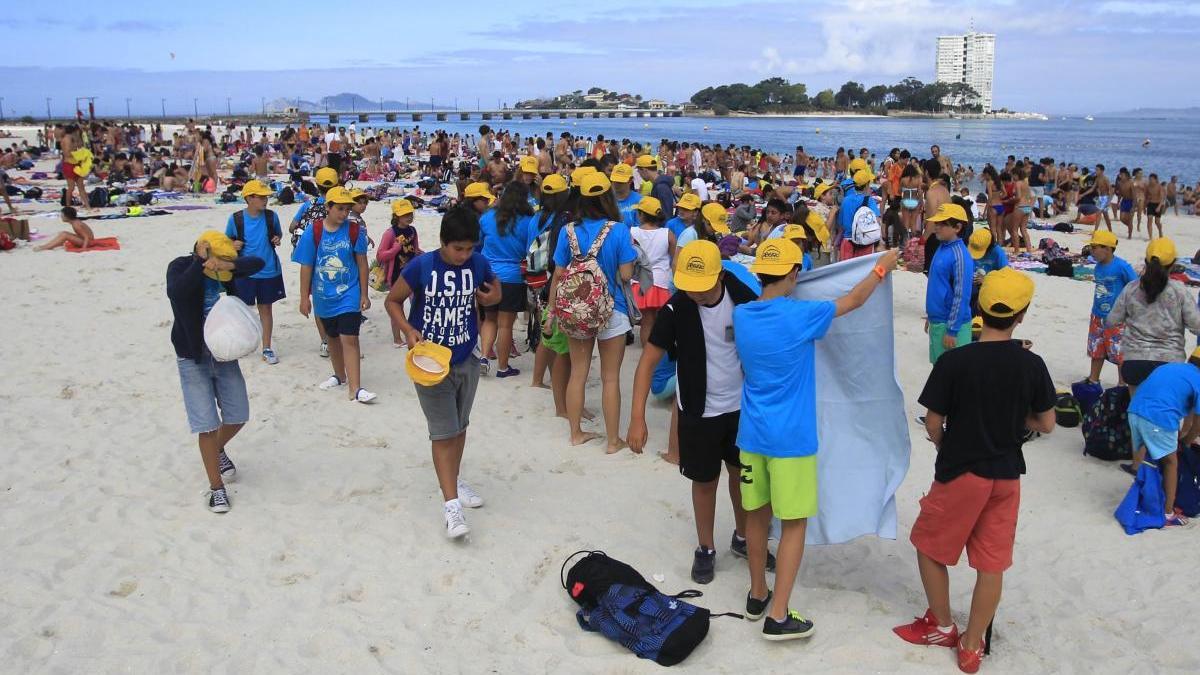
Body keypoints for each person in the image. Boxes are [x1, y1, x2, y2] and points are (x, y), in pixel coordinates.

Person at [735, 239, 899, 640]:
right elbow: (853, 301)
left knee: (756, 517)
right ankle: (777, 615)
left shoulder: (743, 315)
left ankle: (758, 593)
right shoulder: (800, 316)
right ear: (793, 275)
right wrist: (881, 268)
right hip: (790, 440)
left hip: (751, 435)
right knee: (793, 524)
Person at [894, 268, 1056, 674]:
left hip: (961, 471)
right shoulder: (1030, 363)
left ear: (979, 307)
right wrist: (1018, 422)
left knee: (929, 546)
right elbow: (1047, 422)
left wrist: (944, 442)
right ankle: (971, 646)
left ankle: (943, 624)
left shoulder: (955, 361)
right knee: (991, 563)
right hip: (1006, 475)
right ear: (1022, 314)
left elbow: (933, 421)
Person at [627, 240, 770, 585]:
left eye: (703, 289)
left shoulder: (744, 299)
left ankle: (742, 536)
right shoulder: (677, 308)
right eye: (688, 289)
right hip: (697, 411)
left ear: (720, 275)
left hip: (741, 409)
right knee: (704, 482)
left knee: (741, 476)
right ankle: (705, 547)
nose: (696, 295)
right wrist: (637, 417)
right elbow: (647, 361)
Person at [385, 206, 501, 539]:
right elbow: (393, 301)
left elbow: (496, 290)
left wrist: (494, 294)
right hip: (430, 364)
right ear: (443, 242)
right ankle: (451, 505)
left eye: (470, 248)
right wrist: (408, 330)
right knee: (443, 433)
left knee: (460, 426)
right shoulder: (422, 266)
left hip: (466, 358)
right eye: (458, 248)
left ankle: (454, 477)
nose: (465, 255)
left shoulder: (477, 263)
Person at [166, 231, 265, 513]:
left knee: (238, 414)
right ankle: (216, 488)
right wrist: (200, 263)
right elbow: (177, 291)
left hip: (224, 355)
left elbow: (256, 263)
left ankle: (217, 450)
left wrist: (228, 266)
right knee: (206, 425)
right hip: (192, 356)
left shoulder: (226, 271)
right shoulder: (179, 266)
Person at [544, 172, 637, 452]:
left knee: (579, 372)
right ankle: (612, 441)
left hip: (576, 309)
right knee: (610, 377)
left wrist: (551, 312)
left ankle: (576, 433)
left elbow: (559, 274)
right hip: (613, 308)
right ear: (608, 197)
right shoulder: (619, 230)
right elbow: (625, 273)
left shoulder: (568, 230)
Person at [292, 186, 376, 403]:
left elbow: (362, 263)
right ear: (327, 207)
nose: (344, 213)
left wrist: (364, 294)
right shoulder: (314, 230)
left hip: (349, 292)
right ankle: (339, 376)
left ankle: (355, 389)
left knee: (350, 338)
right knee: (332, 338)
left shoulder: (355, 230)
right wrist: (304, 298)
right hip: (323, 295)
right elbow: (306, 265)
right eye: (339, 209)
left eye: (347, 209)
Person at [1106, 238, 1200, 398]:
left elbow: (1111, 321)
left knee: (1136, 411)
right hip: (1170, 364)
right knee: (1165, 414)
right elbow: (1196, 326)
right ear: (1173, 265)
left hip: (1134, 362)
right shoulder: (1179, 291)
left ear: (1146, 261)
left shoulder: (1131, 289)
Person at [1125, 354, 1200, 527]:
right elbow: (1198, 425)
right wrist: (1186, 441)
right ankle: (1167, 513)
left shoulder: (1173, 368)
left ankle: (1147, 496)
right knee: (1170, 463)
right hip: (1157, 418)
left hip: (1134, 411)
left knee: (1150, 458)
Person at [478, 181, 536, 377]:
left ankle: (484, 356)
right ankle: (503, 367)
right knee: (505, 325)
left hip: (487, 274)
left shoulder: (486, 218)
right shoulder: (529, 221)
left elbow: (478, 244)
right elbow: (531, 250)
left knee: (489, 319)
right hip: (512, 276)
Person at [225, 180, 285, 364]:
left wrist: (277, 238)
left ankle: (266, 347)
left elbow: (278, 235)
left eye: (266, 197)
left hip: (268, 270)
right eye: (261, 197)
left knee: (266, 309)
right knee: (242, 309)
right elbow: (226, 242)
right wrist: (232, 244)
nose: (265, 200)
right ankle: (241, 343)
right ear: (249, 198)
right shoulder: (236, 219)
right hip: (244, 272)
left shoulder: (271, 217)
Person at [1080, 230, 1137, 385]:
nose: (1092, 251)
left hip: (1117, 318)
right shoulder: (1097, 266)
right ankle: (1093, 378)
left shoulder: (1121, 266)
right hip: (1097, 315)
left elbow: (1136, 286)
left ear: (1108, 248)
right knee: (1096, 349)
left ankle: (1122, 384)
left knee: (1119, 353)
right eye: (1091, 247)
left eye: (1095, 247)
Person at [926, 203, 974, 364]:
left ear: (957, 227)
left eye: (942, 224)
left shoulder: (960, 255)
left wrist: (952, 331)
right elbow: (938, 286)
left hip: (951, 325)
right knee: (938, 370)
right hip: (938, 321)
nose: (936, 227)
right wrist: (931, 317)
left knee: (952, 376)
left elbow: (961, 295)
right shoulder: (943, 247)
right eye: (936, 223)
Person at [629, 196, 675, 346]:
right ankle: (657, 351)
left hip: (640, 281)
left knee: (647, 322)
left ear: (642, 214)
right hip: (661, 282)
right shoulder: (668, 233)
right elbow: (674, 259)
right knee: (657, 320)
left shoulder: (632, 232)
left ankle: (647, 352)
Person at [377, 199, 422, 346]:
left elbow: (415, 250)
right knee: (397, 306)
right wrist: (396, 248)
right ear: (396, 216)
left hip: (412, 273)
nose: (408, 217)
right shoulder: (390, 233)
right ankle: (397, 338)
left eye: (410, 213)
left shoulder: (413, 230)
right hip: (395, 274)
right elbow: (381, 255)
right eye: (404, 214)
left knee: (416, 303)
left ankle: (416, 333)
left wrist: (424, 255)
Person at [611, 163, 641, 228]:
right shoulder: (607, 200)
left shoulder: (639, 200)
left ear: (630, 180)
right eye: (614, 181)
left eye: (621, 182)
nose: (617, 185)